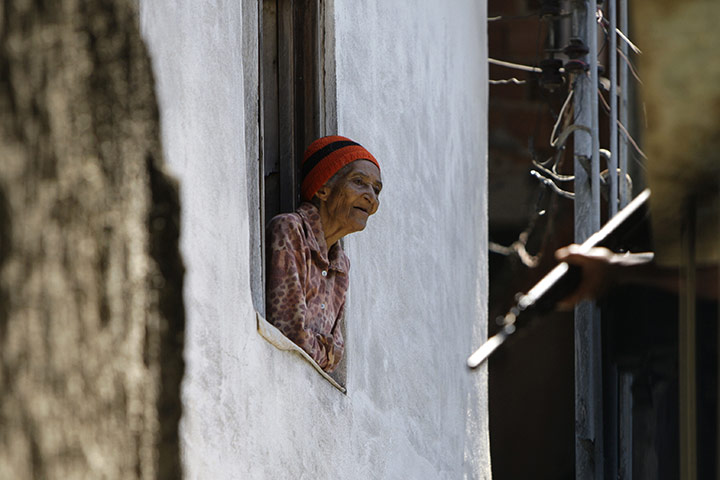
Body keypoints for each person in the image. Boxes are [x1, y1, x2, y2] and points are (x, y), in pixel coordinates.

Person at [265, 135, 382, 372]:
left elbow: (336, 357)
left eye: (376, 189)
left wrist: (324, 349)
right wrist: (325, 348)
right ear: (323, 189)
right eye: (359, 182)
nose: (371, 197)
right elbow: (290, 333)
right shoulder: (291, 230)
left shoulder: (341, 265)